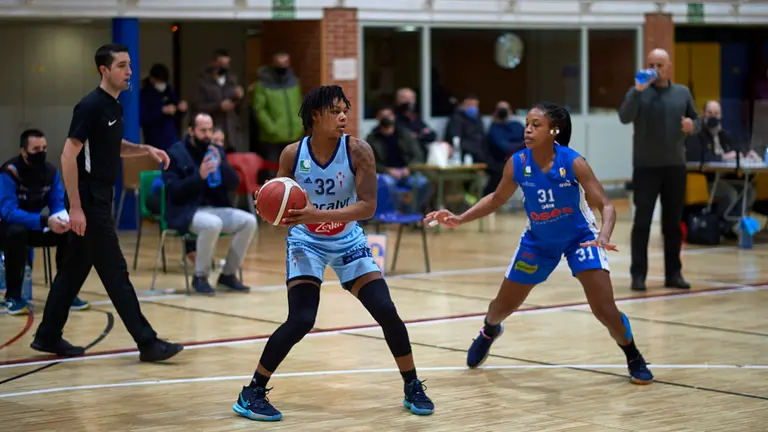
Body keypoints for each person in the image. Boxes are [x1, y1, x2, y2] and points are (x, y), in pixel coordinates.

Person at [232, 85, 434, 422]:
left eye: (345, 110)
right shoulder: (292, 155)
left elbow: (367, 207)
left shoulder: (359, 151)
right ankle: (251, 391)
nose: (343, 117)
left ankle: (412, 385)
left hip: (347, 240)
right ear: (315, 116)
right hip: (306, 242)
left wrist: (318, 215)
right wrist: (269, 206)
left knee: (386, 310)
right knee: (301, 319)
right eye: (335, 111)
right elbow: (282, 202)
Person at [426, 102, 654, 385]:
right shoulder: (518, 163)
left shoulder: (573, 162)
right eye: (527, 124)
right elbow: (497, 199)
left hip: (581, 239)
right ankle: (489, 331)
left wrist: (603, 236)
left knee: (604, 308)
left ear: (554, 131)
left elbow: (605, 205)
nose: (528, 130)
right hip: (538, 241)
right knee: (500, 308)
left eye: (536, 125)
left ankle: (633, 355)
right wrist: (460, 218)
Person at [31, 44, 184, 362]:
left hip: (100, 198)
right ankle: (148, 342)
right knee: (115, 272)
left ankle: (47, 335)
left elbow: (112, 146)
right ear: (104, 70)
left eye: (129, 65)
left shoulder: (115, 107)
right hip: (89, 201)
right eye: (122, 66)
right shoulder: (89, 106)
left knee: (72, 271)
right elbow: (68, 155)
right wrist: (75, 207)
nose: (129, 72)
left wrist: (145, 149)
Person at [619, 48, 697, 291]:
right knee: (642, 222)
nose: (655, 68)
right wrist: (637, 91)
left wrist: (691, 125)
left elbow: (697, 120)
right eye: (651, 64)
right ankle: (638, 275)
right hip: (646, 167)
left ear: (669, 66)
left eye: (659, 64)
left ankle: (674, 274)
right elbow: (624, 117)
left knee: (672, 224)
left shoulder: (682, 93)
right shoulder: (638, 93)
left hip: (675, 166)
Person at [163, 113, 255, 295]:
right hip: (186, 211)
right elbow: (174, 190)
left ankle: (228, 275)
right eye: (202, 130)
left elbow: (234, 184)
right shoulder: (175, 154)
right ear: (191, 131)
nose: (207, 134)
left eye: (210, 130)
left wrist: (222, 165)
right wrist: (200, 176)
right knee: (213, 224)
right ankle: (200, 277)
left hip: (214, 209)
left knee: (249, 221)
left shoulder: (215, 151)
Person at [0, 129, 89, 315]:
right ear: (23, 152)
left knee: (71, 231)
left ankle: (65, 293)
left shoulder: (51, 172)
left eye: (44, 148)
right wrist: (44, 221)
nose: (41, 152)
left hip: (38, 225)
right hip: (8, 229)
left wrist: (62, 220)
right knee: (16, 231)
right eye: (36, 149)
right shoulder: (9, 172)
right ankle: (12, 297)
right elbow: (8, 212)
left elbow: (57, 205)